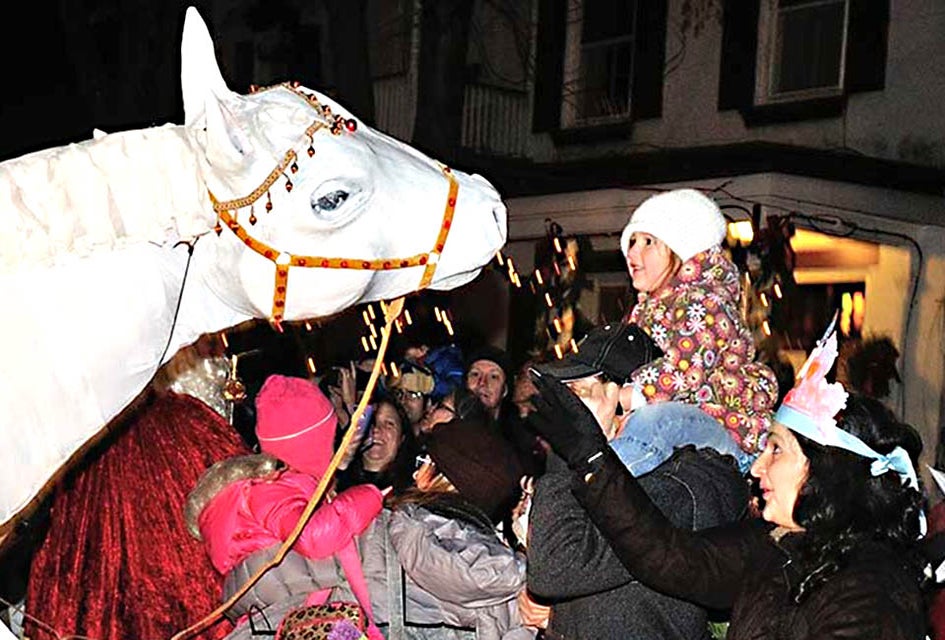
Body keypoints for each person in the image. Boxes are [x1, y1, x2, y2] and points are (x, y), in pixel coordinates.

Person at [528, 324, 928, 640]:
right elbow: (667, 555)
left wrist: (588, 458)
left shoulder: (872, 590)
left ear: (828, 470)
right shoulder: (775, 544)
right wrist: (588, 457)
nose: (756, 468)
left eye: (776, 450)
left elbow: (562, 565)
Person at [187, 374, 386, 639]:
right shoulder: (271, 491)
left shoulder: (284, 486)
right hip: (285, 619)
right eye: (326, 438)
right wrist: (367, 498)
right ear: (309, 443)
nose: (331, 447)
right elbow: (311, 537)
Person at [611, 188, 778, 475]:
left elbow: (685, 370)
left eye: (648, 241)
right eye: (632, 241)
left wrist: (620, 396)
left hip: (724, 427)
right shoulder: (647, 310)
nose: (633, 252)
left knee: (655, 422)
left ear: (682, 248)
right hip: (689, 424)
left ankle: (605, 486)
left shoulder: (703, 302)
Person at [336, 396, 419, 494]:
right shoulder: (337, 478)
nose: (376, 429)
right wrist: (341, 463)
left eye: (389, 424)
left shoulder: (413, 487)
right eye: (371, 422)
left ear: (402, 438)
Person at [386, 360, 436, 436]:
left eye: (413, 395)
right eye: (398, 393)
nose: (403, 400)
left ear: (428, 404)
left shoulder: (435, 444)